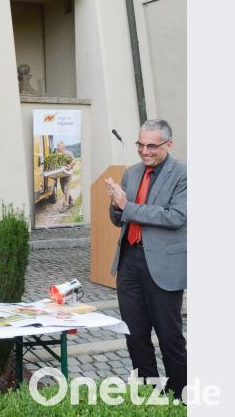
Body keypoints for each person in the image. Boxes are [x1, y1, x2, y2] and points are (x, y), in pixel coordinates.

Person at [105, 119, 186, 399]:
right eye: (141, 144)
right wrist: (116, 206)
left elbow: (175, 217)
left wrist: (128, 206)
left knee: (170, 336)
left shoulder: (183, 175)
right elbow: (119, 218)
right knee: (135, 334)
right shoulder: (131, 173)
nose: (144, 150)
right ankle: (150, 393)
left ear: (168, 144)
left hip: (163, 266)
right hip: (129, 262)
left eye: (152, 145)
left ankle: (181, 395)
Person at [56, 140, 76, 208]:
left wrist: (70, 166)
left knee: (65, 189)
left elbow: (74, 161)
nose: (57, 147)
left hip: (68, 174)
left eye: (59, 146)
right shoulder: (57, 155)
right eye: (57, 146)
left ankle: (65, 205)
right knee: (63, 189)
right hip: (62, 175)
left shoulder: (68, 153)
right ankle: (71, 201)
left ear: (63, 146)